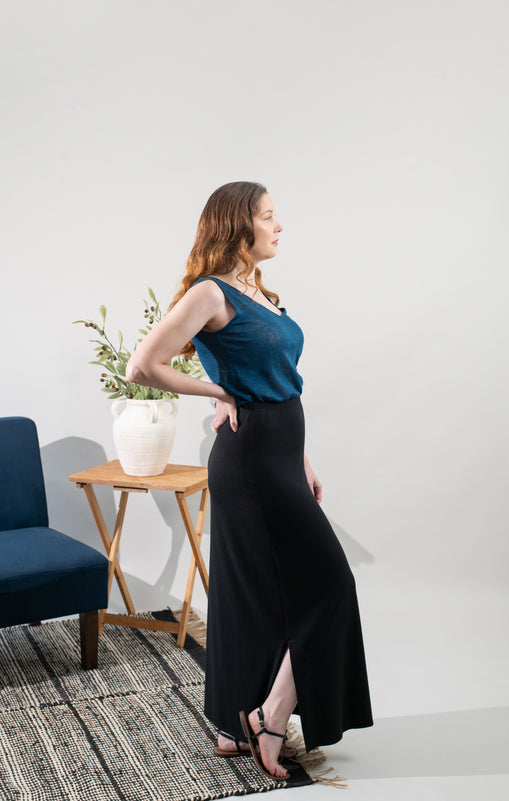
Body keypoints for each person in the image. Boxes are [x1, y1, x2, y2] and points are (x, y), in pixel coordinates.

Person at [126, 181, 373, 782]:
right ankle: (270, 713)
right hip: (252, 456)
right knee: (330, 584)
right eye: (267, 216)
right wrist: (219, 390)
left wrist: (301, 458)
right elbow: (142, 364)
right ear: (238, 225)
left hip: (281, 450)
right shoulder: (209, 292)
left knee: (257, 588)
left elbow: (277, 376)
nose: (278, 226)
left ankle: (234, 721)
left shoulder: (258, 291)